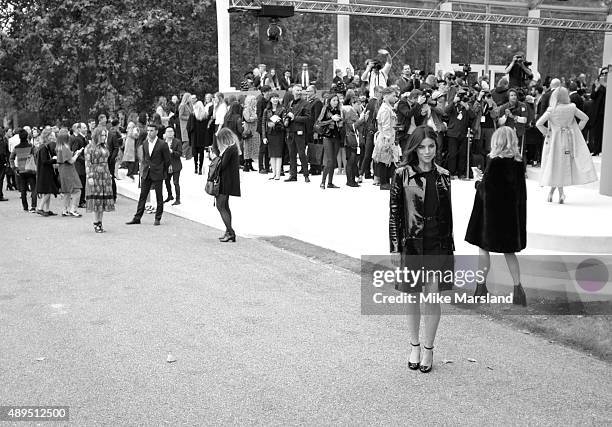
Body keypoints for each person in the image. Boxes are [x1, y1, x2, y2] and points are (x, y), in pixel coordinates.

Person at [389, 126, 454, 374]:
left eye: (431, 146)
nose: (427, 152)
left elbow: (448, 217)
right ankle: (414, 345)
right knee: (413, 297)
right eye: (422, 147)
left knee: (433, 297)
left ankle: (428, 348)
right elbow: (394, 214)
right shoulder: (401, 174)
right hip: (412, 245)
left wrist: (450, 250)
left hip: (438, 245)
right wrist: (395, 248)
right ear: (414, 148)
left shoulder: (445, 175)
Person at [465, 126, 527, 306]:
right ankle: (518, 291)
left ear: (497, 140)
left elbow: (487, 190)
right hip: (510, 216)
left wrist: (478, 182)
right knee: (510, 252)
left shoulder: (493, 160)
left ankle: (480, 288)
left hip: (490, 216)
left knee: (483, 250)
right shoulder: (518, 161)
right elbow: (517, 191)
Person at [536, 87, 597, 203]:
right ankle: (557, 193)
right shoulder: (572, 108)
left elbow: (539, 124)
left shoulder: (551, 110)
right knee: (563, 166)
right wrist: (577, 129)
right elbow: (585, 118)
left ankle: (556, 193)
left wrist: (547, 132)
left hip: (554, 141)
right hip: (569, 139)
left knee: (555, 165)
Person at [126, 123, 171, 226]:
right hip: (147, 172)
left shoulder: (162, 144)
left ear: (156, 132)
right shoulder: (145, 143)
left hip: (158, 172)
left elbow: (167, 160)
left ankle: (158, 218)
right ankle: (137, 217)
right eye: (148, 130)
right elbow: (145, 158)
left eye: (151, 130)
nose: (149, 132)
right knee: (143, 196)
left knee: (159, 196)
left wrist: (161, 170)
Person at [84, 127, 115, 232]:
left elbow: (107, 161)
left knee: (103, 200)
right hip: (95, 174)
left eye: (105, 135)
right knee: (97, 200)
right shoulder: (89, 147)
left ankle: (100, 222)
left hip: (105, 174)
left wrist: (109, 174)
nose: (104, 137)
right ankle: (96, 222)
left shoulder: (105, 146)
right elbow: (88, 163)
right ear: (96, 135)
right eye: (102, 135)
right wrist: (90, 176)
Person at [213, 128, 241, 243]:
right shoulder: (233, 147)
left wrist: (215, 158)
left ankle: (230, 232)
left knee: (221, 206)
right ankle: (228, 231)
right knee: (226, 207)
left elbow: (222, 165)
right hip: (229, 181)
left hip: (225, 181)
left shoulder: (229, 149)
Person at [372, 87, 399, 190]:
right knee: (384, 161)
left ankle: (387, 181)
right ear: (386, 96)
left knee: (389, 161)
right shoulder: (385, 109)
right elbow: (386, 126)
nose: (395, 98)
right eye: (393, 95)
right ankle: (384, 183)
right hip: (385, 138)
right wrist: (387, 141)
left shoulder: (388, 108)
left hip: (389, 137)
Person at [284, 85, 311, 183]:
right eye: (297, 90)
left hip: (300, 131)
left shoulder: (306, 103)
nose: (299, 92)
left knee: (301, 154)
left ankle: (306, 175)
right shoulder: (290, 103)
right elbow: (287, 114)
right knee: (291, 154)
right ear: (293, 92)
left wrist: (294, 117)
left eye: (300, 90)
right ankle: (293, 175)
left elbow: (308, 118)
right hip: (290, 131)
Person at [316, 94, 344, 189]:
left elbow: (340, 124)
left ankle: (330, 182)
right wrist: (331, 119)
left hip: (336, 137)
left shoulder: (339, 110)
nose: (336, 102)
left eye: (337, 100)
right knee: (329, 160)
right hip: (327, 136)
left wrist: (340, 121)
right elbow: (319, 122)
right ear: (329, 101)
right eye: (334, 100)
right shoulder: (326, 109)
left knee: (333, 160)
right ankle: (323, 182)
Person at [56, 129, 84, 217]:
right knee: (77, 189)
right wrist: (77, 154)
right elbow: (71, 161)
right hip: (69, 170)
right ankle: (73, 209)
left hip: (62, 170)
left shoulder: (59, 147)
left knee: (66, 191)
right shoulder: (65, 148)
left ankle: (65, 210)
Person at [342, 96, 368, 187]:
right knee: (351, 161)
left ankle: (352, 180)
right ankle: (350, 181)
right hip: (351, 140)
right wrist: (361, 120)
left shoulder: (356, 113)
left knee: (355, 161)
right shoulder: (350, 113)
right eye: (357, 103)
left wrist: (363, 119)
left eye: (360, 103)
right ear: (352, 104)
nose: (359, 105)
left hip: (357, 140)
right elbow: (351, 127)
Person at [9, 129, 37, 211]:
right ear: (27, 136)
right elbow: (36, 156)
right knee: (33, 189)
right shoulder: (31, 146)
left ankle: (25, 207)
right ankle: (33, 206)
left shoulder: (16, 147)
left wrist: (14, 168)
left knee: (23, 190)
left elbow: (11, 158)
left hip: (21, 170)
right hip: (31, 170)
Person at [261, 92, 286, 180]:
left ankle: (278, 174)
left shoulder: (282, 109)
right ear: (270, 99)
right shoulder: (266, 110)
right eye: (273, 98)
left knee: (278, 154)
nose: (275, 99)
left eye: (277, 98)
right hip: (270, 134)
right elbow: (263, 124)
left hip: (279, 134)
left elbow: (285, 124)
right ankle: (274, 173)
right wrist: (264, 137)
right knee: (272, 154)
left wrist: (278, 122)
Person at [35, 128, 59, 216]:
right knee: (48, 191)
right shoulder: (43, 147)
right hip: (44, 172)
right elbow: (45, 161)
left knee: (48, 191)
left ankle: (47, 209)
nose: (53, 137)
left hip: (46, 171)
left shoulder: (44, 146)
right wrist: (53, 159)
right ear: (47, 136)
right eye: (51, 135)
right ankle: (40, 208)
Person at [187, 100, 211, 175]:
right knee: (201, 152)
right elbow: (208, 127)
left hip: (194, 136)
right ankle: (200, 168)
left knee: (195, 153)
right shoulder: (206, 115)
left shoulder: (192, 115)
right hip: (202, 137)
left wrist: (190, 135)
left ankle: (196, 168)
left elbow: (189, 127)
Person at [588, 67, 607, 156]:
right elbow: (592, 96)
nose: (604, 75)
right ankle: (596, 150)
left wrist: (604, 86)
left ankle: (605, 149)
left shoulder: (607, 85)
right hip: (598, 111)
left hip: (607, 110)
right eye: (602, 74)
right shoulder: (596, 83)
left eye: (606, 73)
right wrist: (597, 88)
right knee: (597, 131)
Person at [163, 127, 182, 206]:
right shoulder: (163, 142)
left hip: (176, 165)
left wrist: (172, 152)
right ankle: (170, 195)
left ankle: (178, 199)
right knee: (167, 181)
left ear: (174, 133)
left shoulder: (177, 142)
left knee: (176, 182)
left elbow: (180, 153)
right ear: (165, 133)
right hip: (167, 165)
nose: (170, 133)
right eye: (168, 131)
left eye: (171, 131)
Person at [242, 95, 260, 172]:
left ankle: (250, 164)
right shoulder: (246, 109)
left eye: (255, 99)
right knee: (247, 147)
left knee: (252, 147)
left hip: (255, 130)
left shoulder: (254, 109)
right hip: (249, 130)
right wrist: (256, 117)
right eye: (253, 100)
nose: (255, 101)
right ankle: (246, 164)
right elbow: (248, 119)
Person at [178, 92, 193, 160]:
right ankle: (182, 154)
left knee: (190, 141)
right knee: (186, 141)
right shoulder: (182, 105)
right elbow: (180, 116)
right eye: (190, 97)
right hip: (184, 125)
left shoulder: (190, 105)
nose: (191, 99)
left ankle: (189, 157)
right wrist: (189, 117)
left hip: (190, 125)